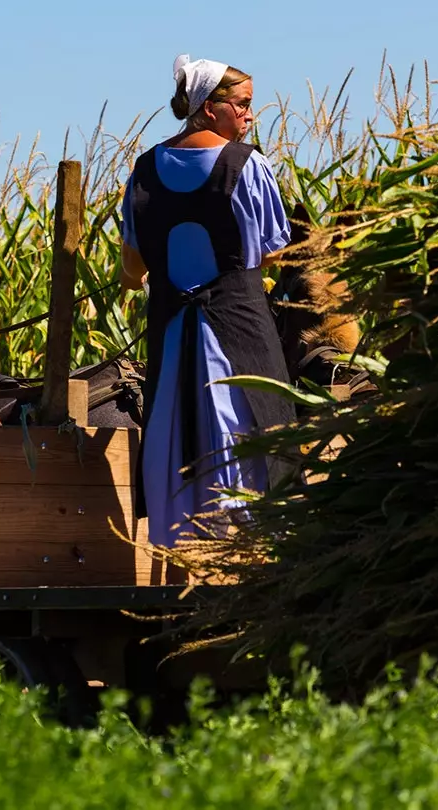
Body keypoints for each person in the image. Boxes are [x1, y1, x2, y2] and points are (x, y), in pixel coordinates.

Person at [120, 54, 296, 548]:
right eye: (242, 105)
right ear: (208, 108)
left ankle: (183, 555)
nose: (249, 115)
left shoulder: (144, 172)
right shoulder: (248, 166)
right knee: (248, 435)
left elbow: (133, 274)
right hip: (239, 338)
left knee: (172, 442)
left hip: (173, 342)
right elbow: (274, 251)